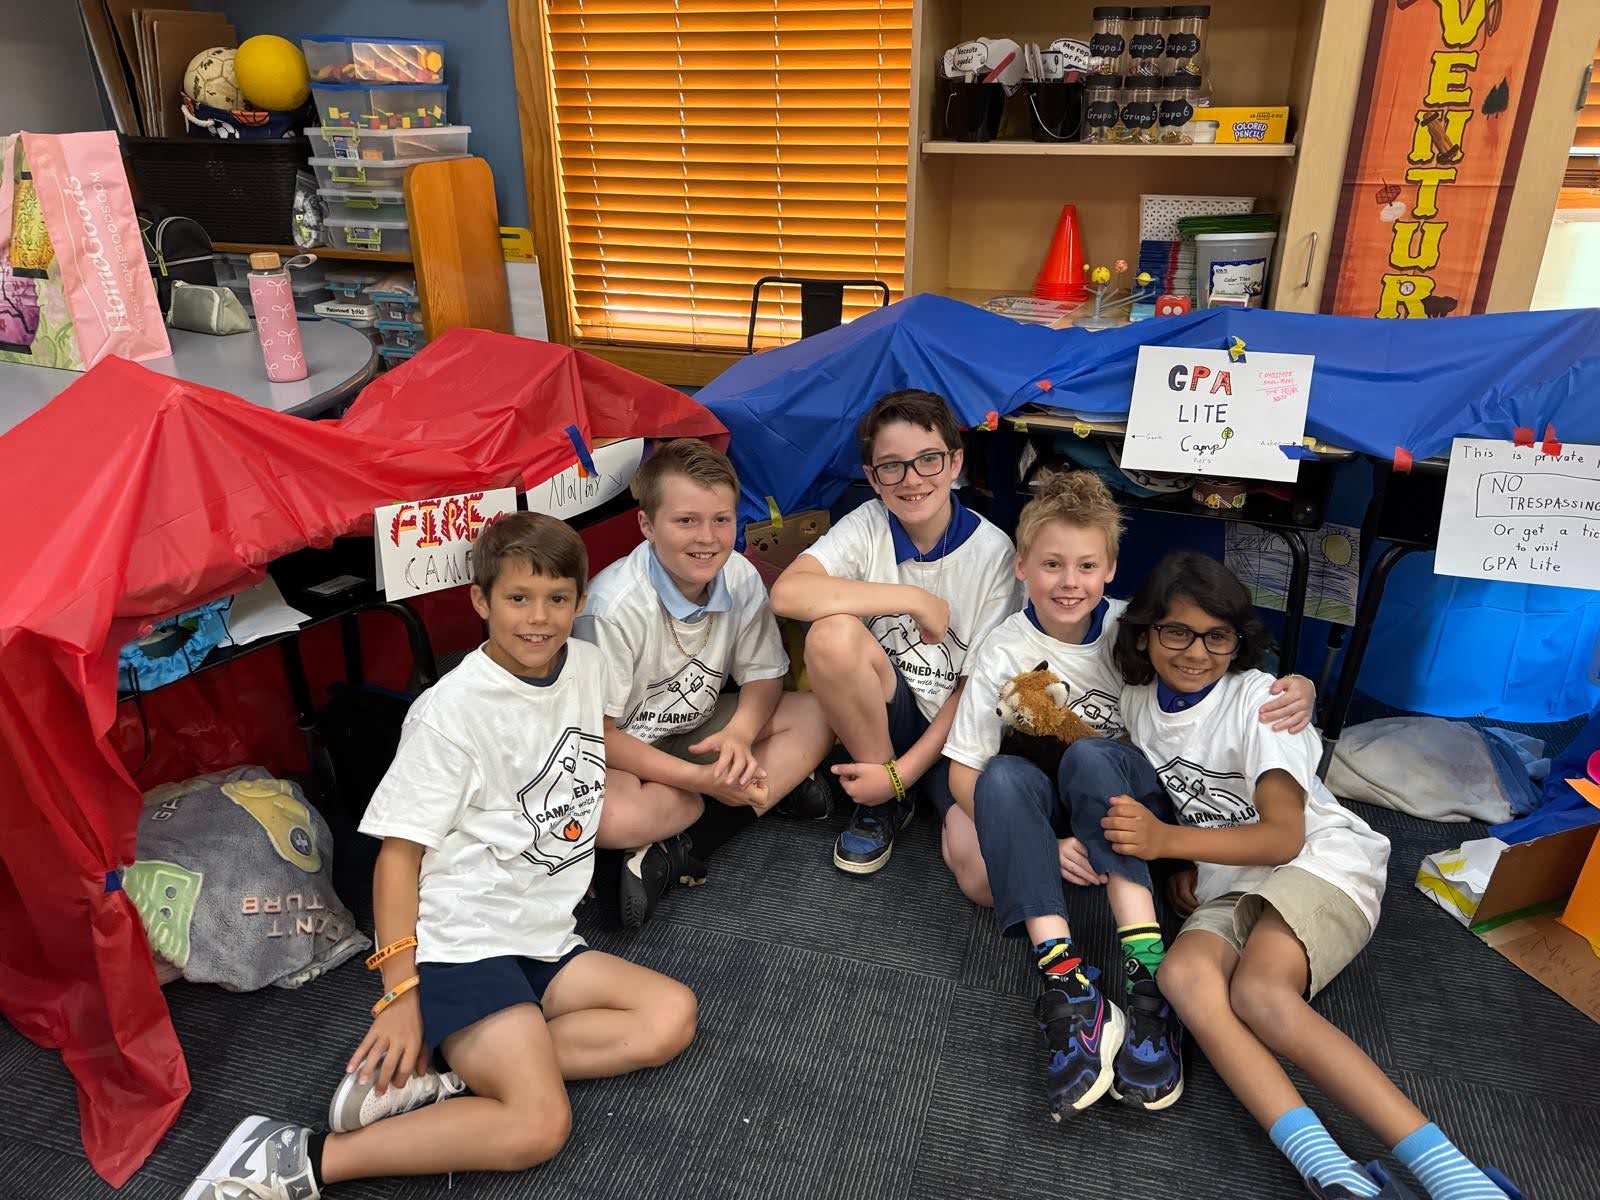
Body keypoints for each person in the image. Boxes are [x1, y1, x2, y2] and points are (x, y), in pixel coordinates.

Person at [190, 513, 697, 1200]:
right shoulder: (447, 714)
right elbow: (397, 859)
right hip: (465, 942)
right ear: (481, 600)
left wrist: (697, 777)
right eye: (518, 598)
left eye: (556, 599)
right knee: (537, 1125)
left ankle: (447, 1077)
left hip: (542, 933)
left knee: (670, 1016)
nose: (539, 618)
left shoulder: (586, 664)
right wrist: (400, 994)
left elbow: (598, 737)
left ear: (580, 601)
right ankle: (298, 1157)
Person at [1100, 551, 1518, 1200]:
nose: (1196, 652)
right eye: (1177, 631)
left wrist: (1165, 842)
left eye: (1217, 636)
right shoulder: (1136, 701)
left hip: (1318, 860)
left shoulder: (1263, 704)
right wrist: (1183, 859)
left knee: (1260, 995)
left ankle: (1459, 1179)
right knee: (1182, 978)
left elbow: (1282, 836)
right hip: (1229, 878)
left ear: (1238, 641)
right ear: (1144, 632)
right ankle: (1334, 1174)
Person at [945, 471, 1315, 1121]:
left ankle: (1147, 977)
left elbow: (1225, 672)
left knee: (1090, 755)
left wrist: (1299, 685)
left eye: (1086, 566)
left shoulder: (1133, 630)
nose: (1069, 582)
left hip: (1138, 803)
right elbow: (964, 772)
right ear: (1022, 566)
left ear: (1111, 569)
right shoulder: (1004, 649)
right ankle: (1069, 986)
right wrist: (1051, 842)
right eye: (1052, 564)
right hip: (1057, 804)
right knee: (998, 784)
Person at [575, 438, 836, 927]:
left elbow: (765, 674)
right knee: (611, 817)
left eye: (721, 519)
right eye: (686, 521)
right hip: (625, 753)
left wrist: (740, 734)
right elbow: (598, 736)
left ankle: (674, 847)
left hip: (698, 732)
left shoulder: (738, 573)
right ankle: (736, 801)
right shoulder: (613, 608)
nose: (707, 538)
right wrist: (701, 780)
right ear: (647, 525)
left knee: (819, 711)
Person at [770, 389, 1017, 875]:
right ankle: (883, 803)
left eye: (928, 459)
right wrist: (913, 599)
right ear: (872, 478)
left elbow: (973, 692)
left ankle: (896, 787)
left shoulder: (994, 554)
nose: (912, 479)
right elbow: (787, 594)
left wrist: (902, 775)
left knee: (984, 875)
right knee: (831, 634)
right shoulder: (868, 524)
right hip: (883, 722)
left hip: (955, 732)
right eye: (892, 466)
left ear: (955, 462)